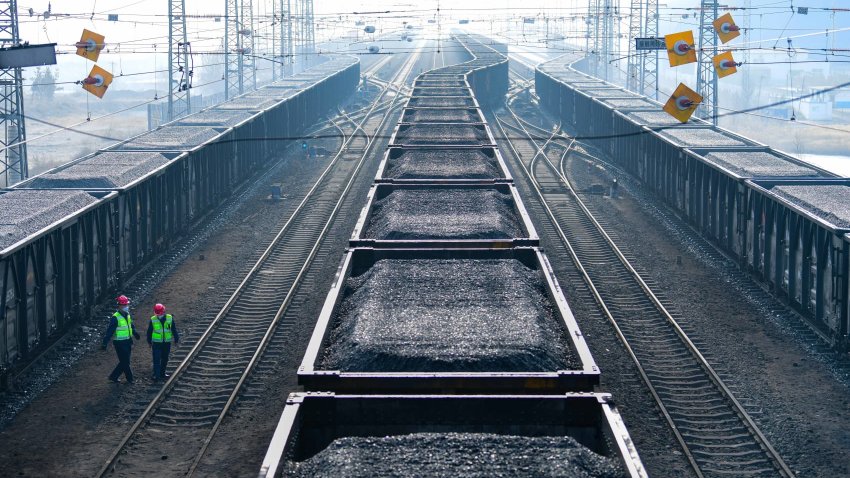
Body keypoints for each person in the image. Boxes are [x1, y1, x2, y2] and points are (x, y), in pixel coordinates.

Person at [101, 295, 140, 384]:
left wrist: (135, 333)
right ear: (119, 306)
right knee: (126, 362)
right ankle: (130, 379)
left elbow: (130, 325)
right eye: (124, 305)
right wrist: (105, 343)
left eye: (126, 305)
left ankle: (113, 376)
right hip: (119, 343)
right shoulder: (115, 317)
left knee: (124, 361)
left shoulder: (127, 315)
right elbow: (109, 331)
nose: (126, 307)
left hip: (128, 341)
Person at [147, 303, 180, 381]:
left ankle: (162, 373)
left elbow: (173, 329)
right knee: (156, 359)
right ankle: (156, 375)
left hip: (166, 343)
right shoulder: (153, 319)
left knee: (165, 359)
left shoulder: (170, 318)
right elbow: (149, 331)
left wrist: (176, 338)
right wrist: (149, 341)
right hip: (156, 343)